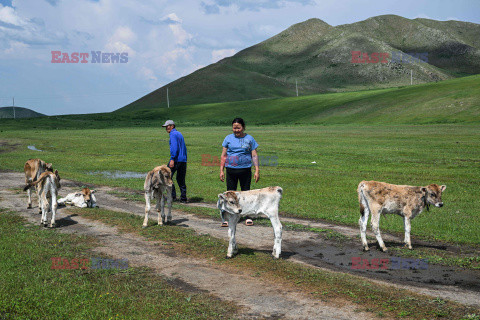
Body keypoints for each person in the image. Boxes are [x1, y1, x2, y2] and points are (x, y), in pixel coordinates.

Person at [219, 117, 259, 226]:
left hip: (245, 170)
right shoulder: (228, 138)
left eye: (238, 128)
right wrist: (221, 170)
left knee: (246, 194)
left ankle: (248, 216)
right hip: (231, 170)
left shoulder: (250, 139)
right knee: (230, 195)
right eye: (234, 128)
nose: (236, 130)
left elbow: (254, 155)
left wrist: (257, 170)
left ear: (243, 127)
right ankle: (228, 217)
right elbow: (223, 155)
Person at [162, 120, 187, 203]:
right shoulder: (179, 133)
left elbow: (174, 147)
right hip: (183, 160)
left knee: (167, 177)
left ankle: (172, 196)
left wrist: (172, 158)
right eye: (166, 127)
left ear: (172, 126)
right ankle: (183, 198)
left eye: (167, 126)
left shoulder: (172, 134)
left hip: (176, 159)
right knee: (181, 179)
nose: (166, 128)